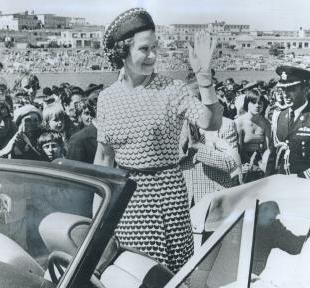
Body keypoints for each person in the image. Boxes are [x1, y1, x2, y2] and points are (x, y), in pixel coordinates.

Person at [94, 8, 222, 272]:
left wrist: (205, 79)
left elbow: (212, 122)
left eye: (155, 47)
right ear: (122, 52)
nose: (152, 55)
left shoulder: (172, 89)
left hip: (168, 197)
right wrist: (97, 217)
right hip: (128, 204)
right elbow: (104, 158)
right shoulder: (107, 98)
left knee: (171, 276)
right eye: (144, 49)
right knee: (133, 273)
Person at [180, 117, 241, 207]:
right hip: (183, 200)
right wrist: (182, 147)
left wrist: (197, 146)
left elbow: (231, 163)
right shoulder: (174, 124)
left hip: (213, 200)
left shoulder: (224, 124)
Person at [271, 66, 310, 178]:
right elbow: (273, 155)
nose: (286, 94)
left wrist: (301, 177)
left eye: (291, 89)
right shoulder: (279, 116)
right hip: (281, 184)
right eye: (283, 89)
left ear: (306, 90)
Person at [235, 84, 271, 182]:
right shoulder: (239, 122)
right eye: (253, 102)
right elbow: (238, 150)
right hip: (242, 164)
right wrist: (244, 166)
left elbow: (267, 148)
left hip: (259, 163)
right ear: (247, 103)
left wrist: (264, 165)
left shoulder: (266, 123)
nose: (257, 105)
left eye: (260, 103)